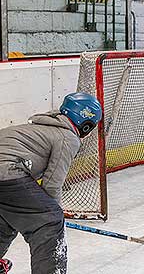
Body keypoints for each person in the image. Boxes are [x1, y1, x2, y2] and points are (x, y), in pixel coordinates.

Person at [0, 92, 102, 274]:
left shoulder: (42, 126)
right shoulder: (68, 137)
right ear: (87, 124)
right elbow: (52, 184)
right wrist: (54, 215)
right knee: (49, 220)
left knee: (8, 217)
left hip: (6, 176)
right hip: (7, 172)